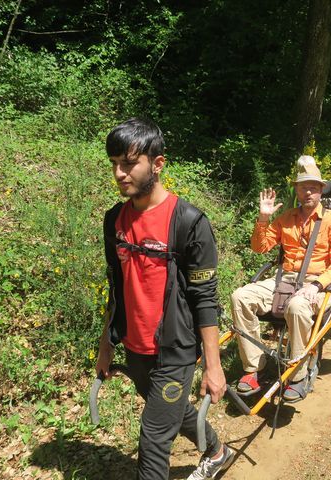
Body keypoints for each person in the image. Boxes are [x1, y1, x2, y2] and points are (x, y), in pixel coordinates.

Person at [95, 118, 233, 480]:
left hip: (176, 347)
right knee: (169, 408)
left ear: (157, 164)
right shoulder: (115, 221)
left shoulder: (188, 222)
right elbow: (115, 285)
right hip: (135, 345)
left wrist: (213, 366)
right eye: (114, 164)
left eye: (128, 163)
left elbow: (205, 299)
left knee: (153, 438)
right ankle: (217, 451)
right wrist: (106, 344)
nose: (119, 173)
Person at [231, 156, 331, 402]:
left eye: (313, 187)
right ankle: (254, 367)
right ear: (296, 190)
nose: (308, 192)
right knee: (240, 296)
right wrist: (263, 218)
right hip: (283, 279)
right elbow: (260, 247)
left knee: (297, 306)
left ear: (320, 190)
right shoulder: (286, 218)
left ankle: (296, 374)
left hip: (319, 283)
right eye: (303, 187)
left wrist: (316, 285)